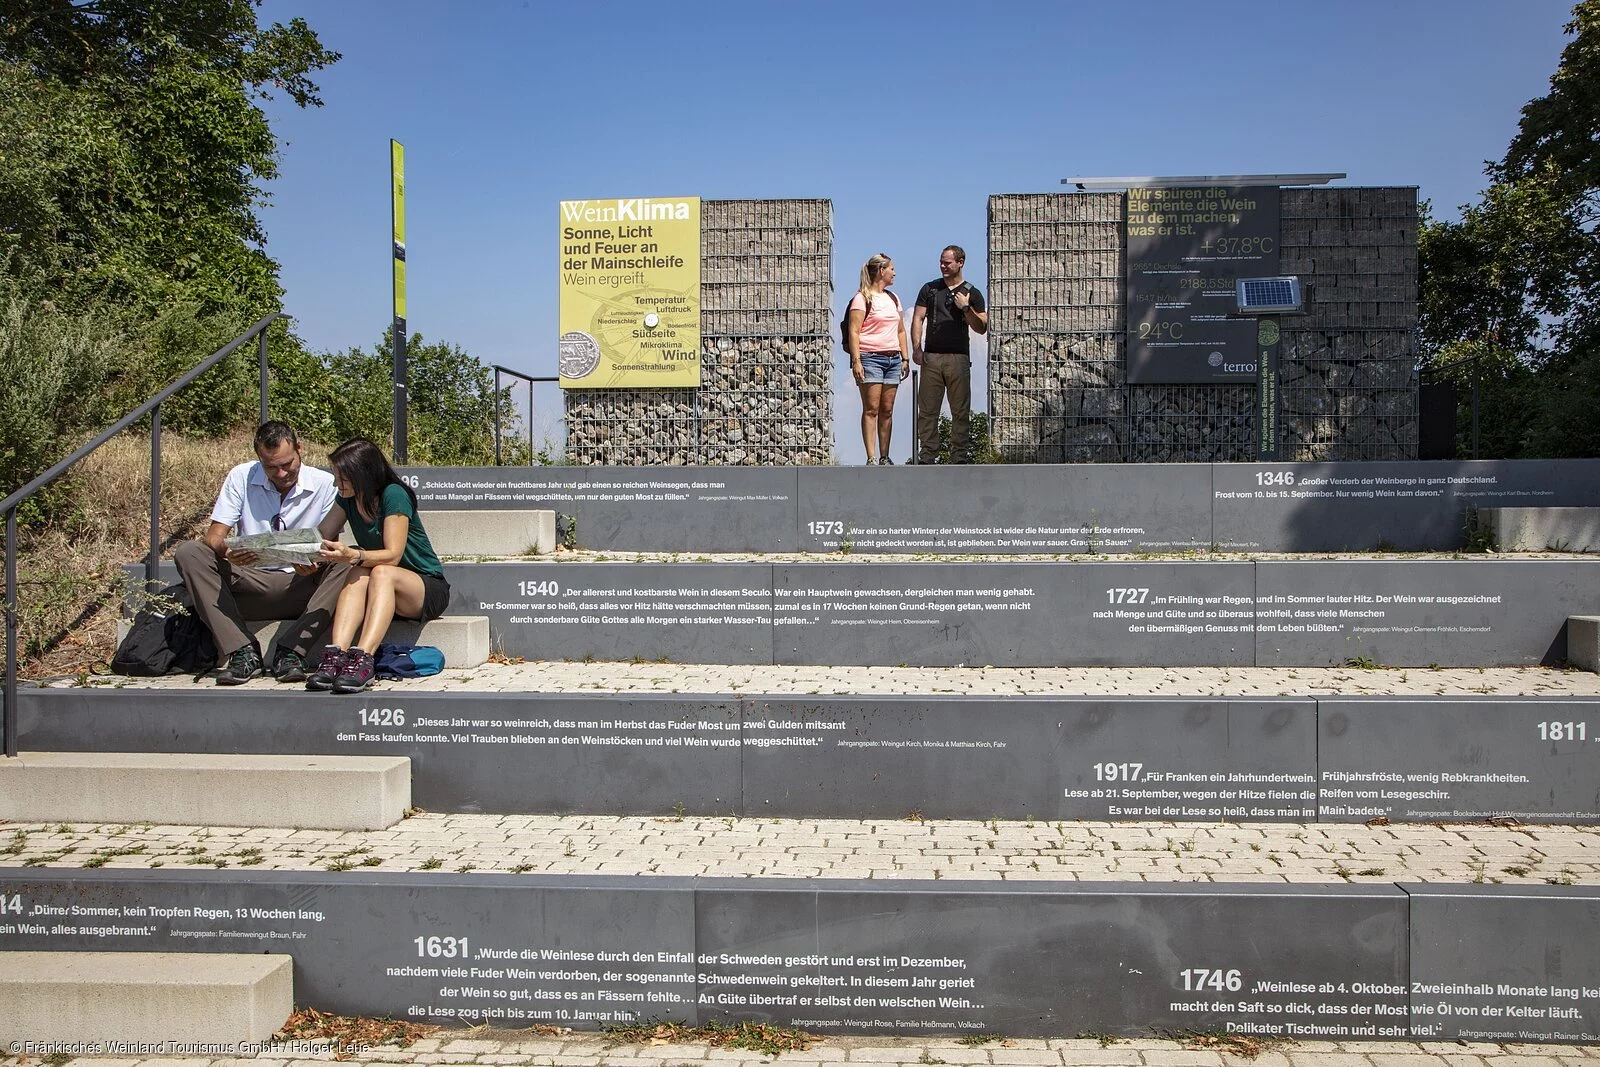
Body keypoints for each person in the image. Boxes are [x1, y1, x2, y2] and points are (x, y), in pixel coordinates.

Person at [173, 420, 349, 684]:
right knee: (189, 552)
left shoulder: (325, 483)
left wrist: (314, 561)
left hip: (302, 584)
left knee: (348, 559)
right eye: (270, 467)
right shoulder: (241, 476)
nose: (281, 473)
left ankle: (291, 651)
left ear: (299, 449)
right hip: (249, 582)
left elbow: (329, 544)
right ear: (259, 459)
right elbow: (214, 536)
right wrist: (227, 551)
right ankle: (242, 650)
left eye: (287, 464)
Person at [306, 437, 451, 693]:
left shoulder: (393, 495)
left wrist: (352, 554)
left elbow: (392, 555)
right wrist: (300, 556)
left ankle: (363, 658)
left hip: (423, 587)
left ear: (363, 475)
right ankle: (336, 655)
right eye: (336, 477)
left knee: (379, 570)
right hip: (381, 589)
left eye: (343, 478)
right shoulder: (347, 497)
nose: (337, 484)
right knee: (359, 572)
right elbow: (321, 537)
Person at [911, 245, 988, 463]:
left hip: (959, 358)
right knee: (927, 411)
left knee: (960, 411)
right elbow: (918, 318)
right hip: (932, 358)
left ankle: (959, 457)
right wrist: (917, 348)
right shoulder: (930, 289)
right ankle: (927, 456)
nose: (943, 266)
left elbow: (982, 327)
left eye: (947, 262)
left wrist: (965, 308)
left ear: (960, 263)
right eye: (941, 262)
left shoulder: (972, 292)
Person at [844, 252, 910, 465]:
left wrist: (905, 357)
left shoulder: (894, 298)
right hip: (870, 357)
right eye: (892, 269)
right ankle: (871, 456)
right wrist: (856, 361)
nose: (894, 273)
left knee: (887, 409)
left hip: (893, 358)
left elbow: (900, 330)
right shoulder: (862, 298)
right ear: (882, 271)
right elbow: (854, 331)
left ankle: (885, 455)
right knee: (871, 408)